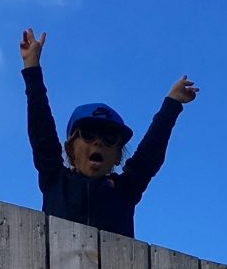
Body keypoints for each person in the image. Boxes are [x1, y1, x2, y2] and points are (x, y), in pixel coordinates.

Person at [19, 27, 196, 238]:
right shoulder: (55, 180)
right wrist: (32, 68)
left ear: (118, 155)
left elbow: (149, 156)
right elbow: (42, 133)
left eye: (109, 139)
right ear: (70, 148)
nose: (98, 143)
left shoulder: (124, 191)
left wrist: (172, 104)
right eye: (87, 135)